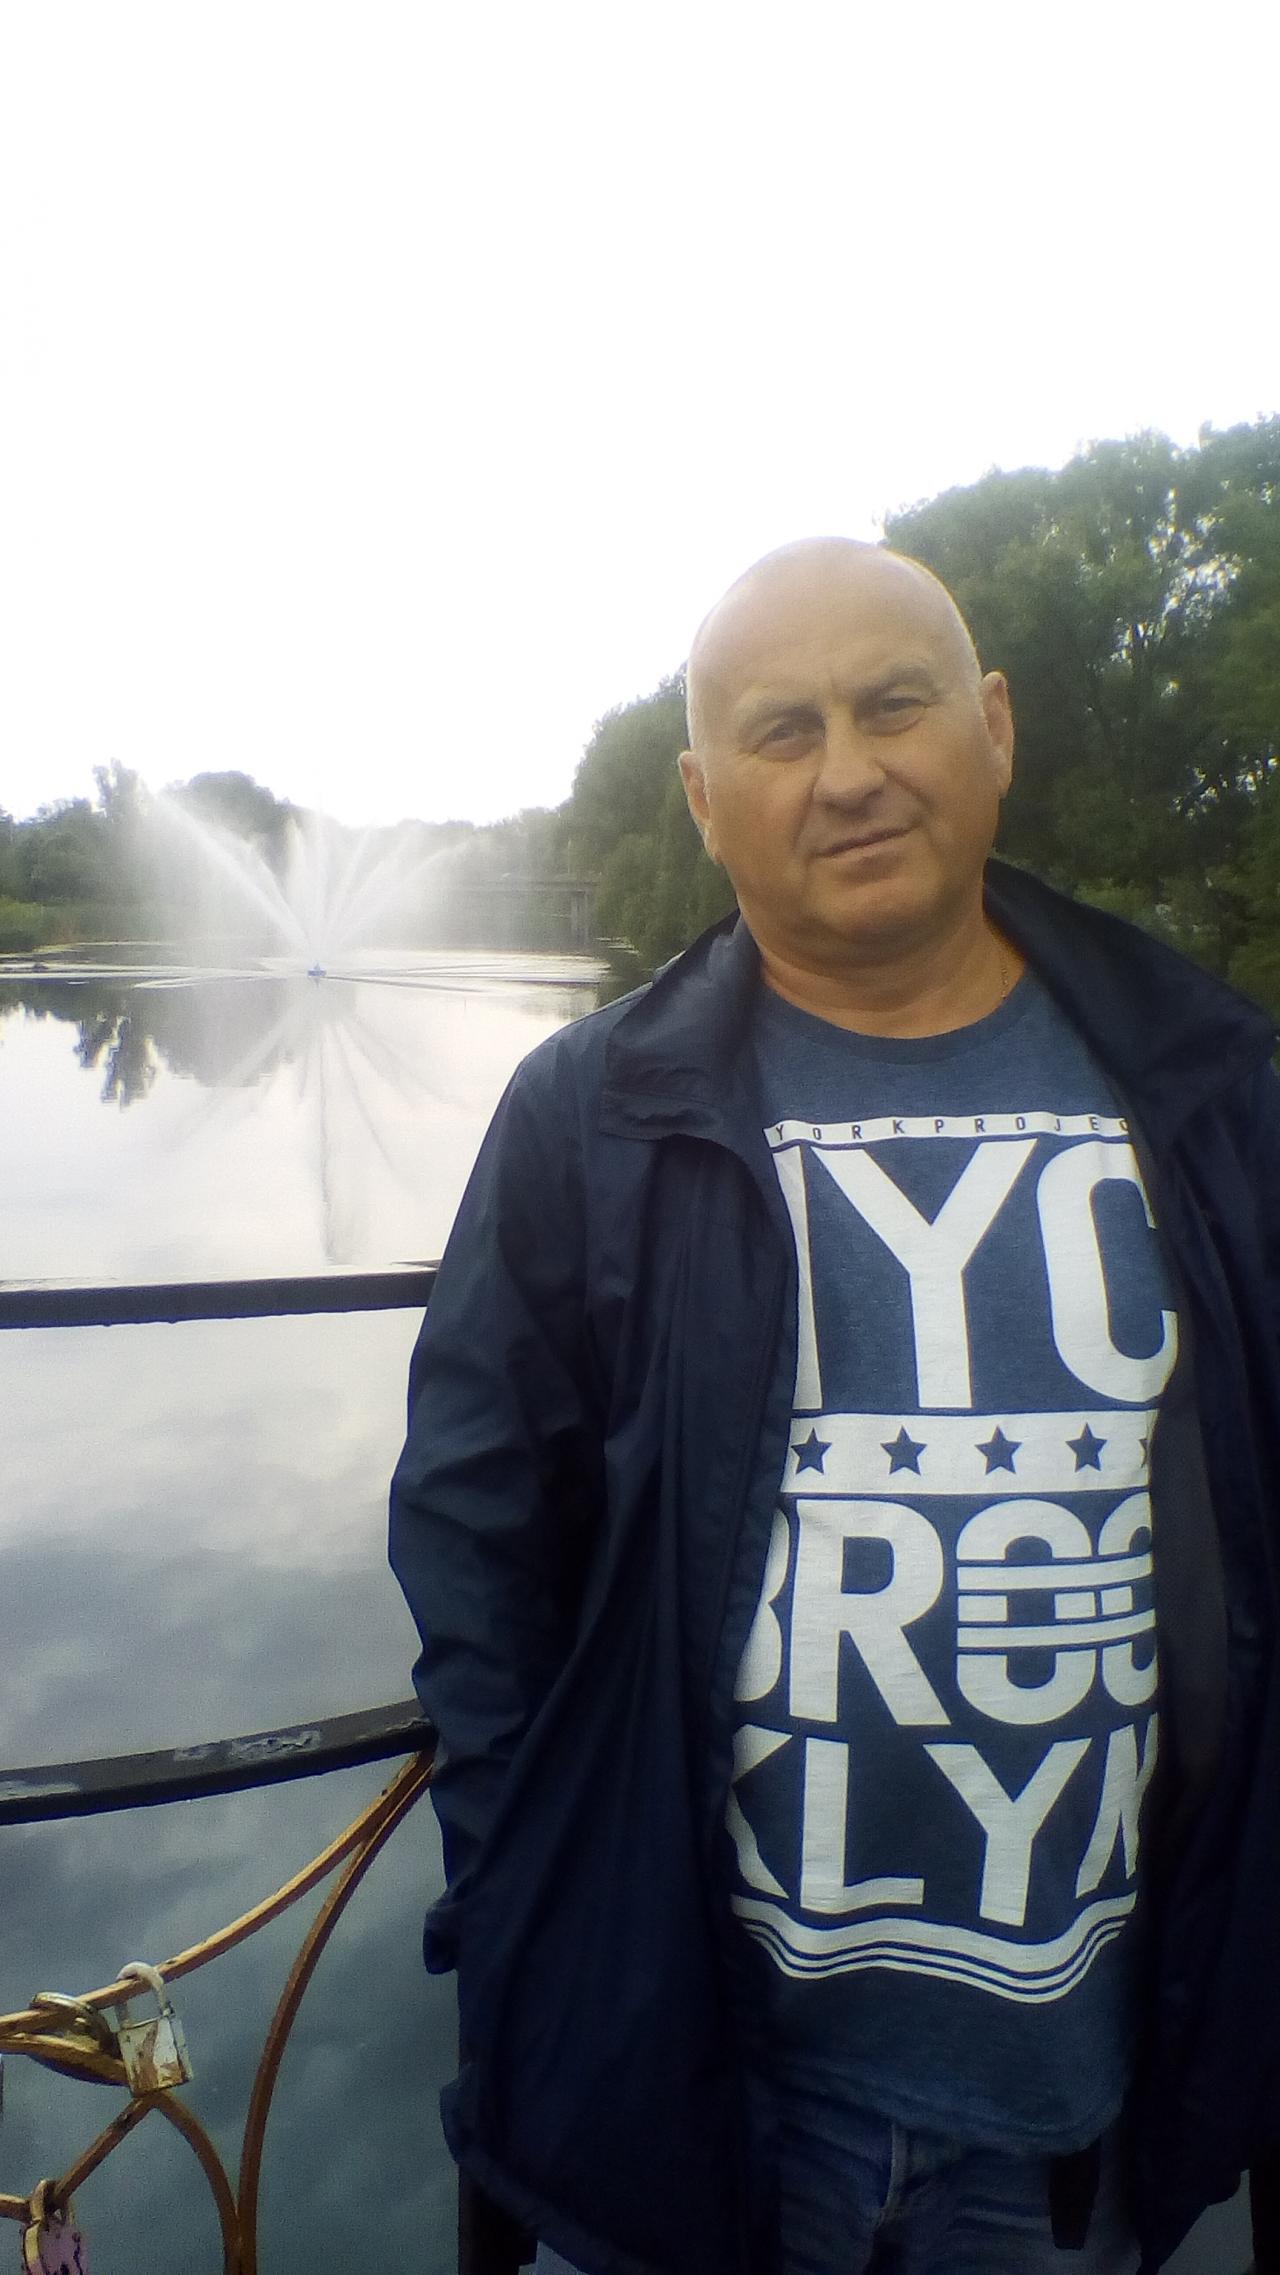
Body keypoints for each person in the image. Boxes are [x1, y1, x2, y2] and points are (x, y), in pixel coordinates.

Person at [389, 539, 1280, 2275]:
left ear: (994, 727)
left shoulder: (1210, 1089)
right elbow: (474, 1539)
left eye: (895, 706)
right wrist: (534, 1901)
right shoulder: (588, 1117)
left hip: (1077, 2091)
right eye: (783, 732)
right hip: (708, 2079)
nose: (850, 771)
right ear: (704, 797)